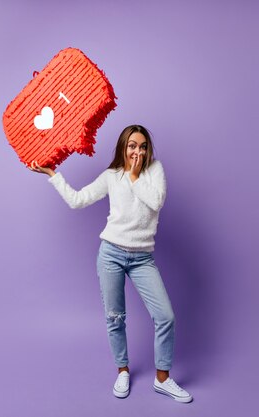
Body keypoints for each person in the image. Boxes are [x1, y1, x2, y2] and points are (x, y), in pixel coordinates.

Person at [28, 125, 192, 403]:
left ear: (148, 149)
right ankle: (123, 371)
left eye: (142, 146)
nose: (137, 151)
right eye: (131, 146)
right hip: (111, 254)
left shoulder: (155, 171)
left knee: (165, 317)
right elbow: (77, 200)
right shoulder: (110, 177)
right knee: (115, 318)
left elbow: (156, 202)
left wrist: (136, 176)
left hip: (143, 258)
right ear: (123, 148)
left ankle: (162, 379)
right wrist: (53, 175)